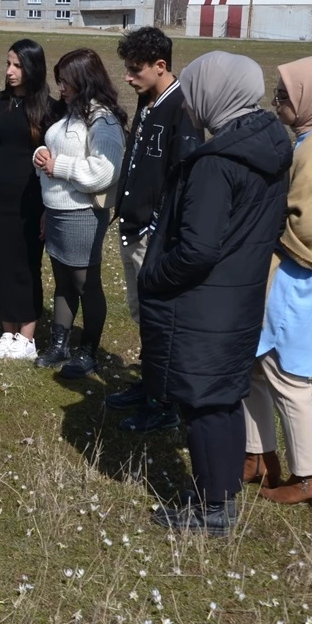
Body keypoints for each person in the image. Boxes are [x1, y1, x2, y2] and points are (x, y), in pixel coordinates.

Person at [142, 52, 291, 537]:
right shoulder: (267, 145)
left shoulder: (216, 164)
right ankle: (219, 494)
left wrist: (156, 274)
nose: (188, 99)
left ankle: (212, 511)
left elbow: (198, 249)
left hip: (205, 301)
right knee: (223, 399)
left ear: (215, 93)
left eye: (194, 88)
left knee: (203, 405)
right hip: (240, 294)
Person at [242, 56, 312, 508]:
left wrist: (265, 235)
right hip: (292, 276)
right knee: (253, 366)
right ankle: (258, 454)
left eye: (285, 94)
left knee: (287, 378)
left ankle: (310, 477)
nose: (277, 101)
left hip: (298, 282)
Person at [107, 27, 203, 432]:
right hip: (133, 225)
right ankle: (149, 384)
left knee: (160, 319)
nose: (128, 77)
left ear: (161, 66)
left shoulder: (182, 108)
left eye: (135, 70)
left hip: (154, 235)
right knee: (142, 313)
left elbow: (182, 177)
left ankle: (164, 402)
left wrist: (159, 229)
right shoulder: (147, 102)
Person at [32, 49, 127, 377]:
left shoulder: (103, 120)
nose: (60, 86)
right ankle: (60, 345)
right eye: (59, 80)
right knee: (62, 282)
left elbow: (104, 171)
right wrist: (42, 154)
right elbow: (53, 149)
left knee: (86, 284)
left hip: (82, 213)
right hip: (56, 209)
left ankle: (88, 352)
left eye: (66, 80)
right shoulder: (72, 113)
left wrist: (58, 165)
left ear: (85, 80)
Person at [0, 39, 54, 361]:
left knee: (27, 265)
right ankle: (7, 331)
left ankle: (27, 335)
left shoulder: (49, 108)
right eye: (8, 64)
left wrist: (48, 209)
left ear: (32, 68)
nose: (9, 71)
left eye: (17, 66)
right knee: (3, 265)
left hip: (32, 201)